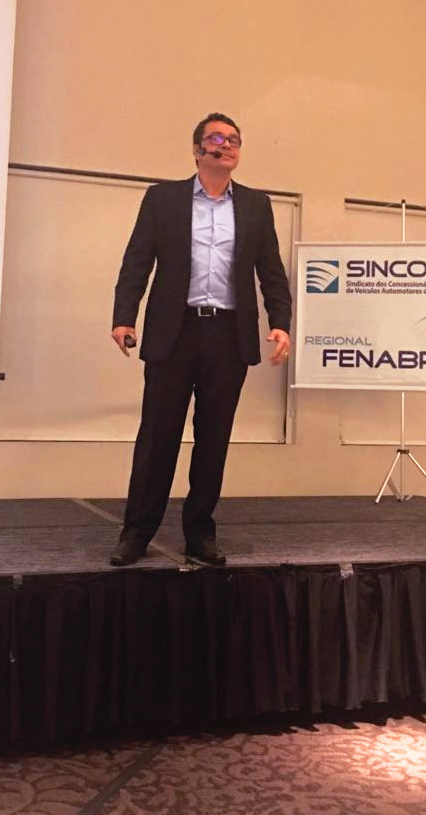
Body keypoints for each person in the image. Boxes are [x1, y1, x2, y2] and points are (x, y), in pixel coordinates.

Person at [110, 112, 292, 566]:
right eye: (216, 138)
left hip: (227, 335)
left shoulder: (256, 205)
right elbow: (137, 260)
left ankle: (200, 534)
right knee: (157, 438)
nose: (226, 145)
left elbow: (271, 270)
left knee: (214, 439)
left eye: (234, 140)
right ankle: (137, 533)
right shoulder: (163, 199)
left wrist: (281, 322)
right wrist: (124, 316)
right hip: (175, 332)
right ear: (197, 149)